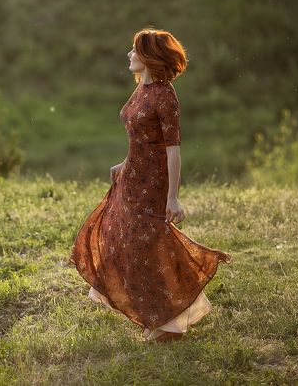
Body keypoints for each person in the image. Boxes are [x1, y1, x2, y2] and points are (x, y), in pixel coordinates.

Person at [70, 26, 232, 343]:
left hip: (153, 184)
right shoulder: (142, 89)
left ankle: (171, 323)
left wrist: (173, 198)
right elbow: (142, 141)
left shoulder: (165, 96)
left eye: (135, 50)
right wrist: (125, 164)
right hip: (132, 177)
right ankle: (115, 296)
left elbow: (172, 150)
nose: (130, 55)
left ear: (149, 57)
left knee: (145, 245)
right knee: (116, 234)